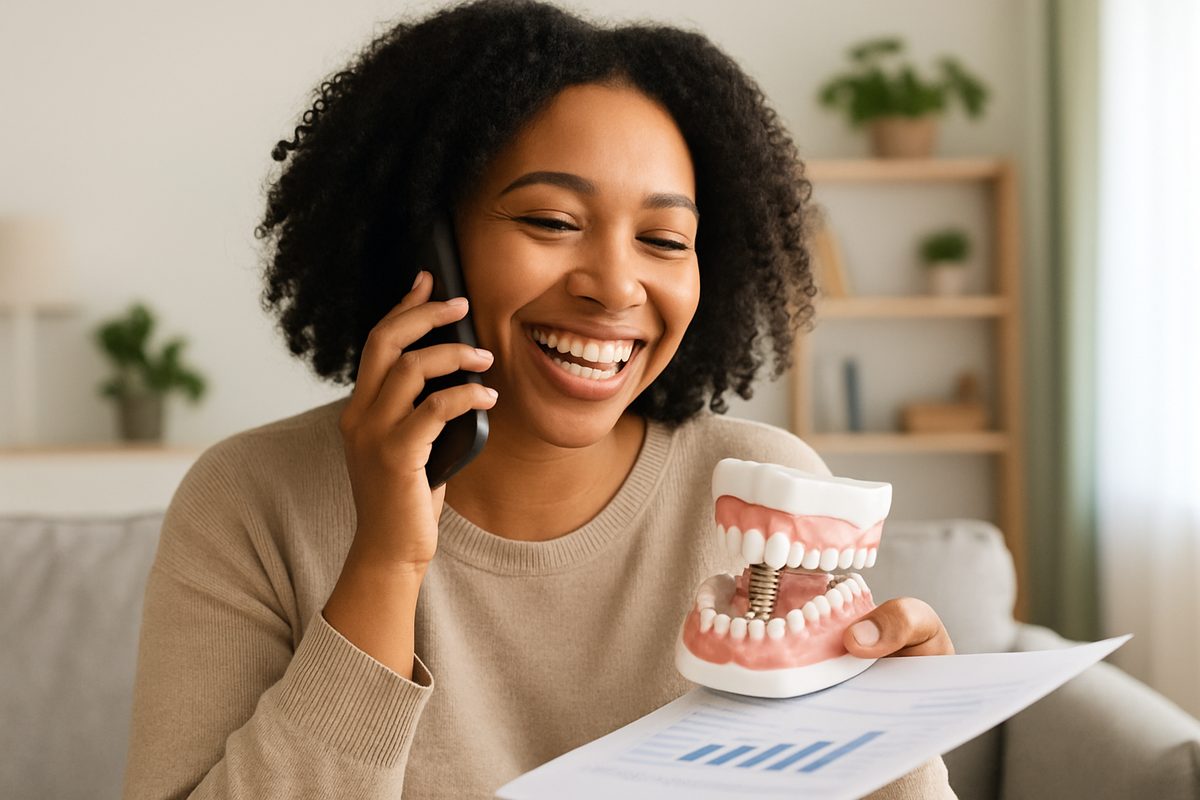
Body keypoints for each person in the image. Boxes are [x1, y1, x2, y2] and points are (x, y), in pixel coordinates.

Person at [122, 1, 957, 797]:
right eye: (553, 222)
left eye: (665, 241)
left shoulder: (760, 492)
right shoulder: (251, 501)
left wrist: (898, 738)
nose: (615, 287)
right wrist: (385, 561)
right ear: (425, 240)